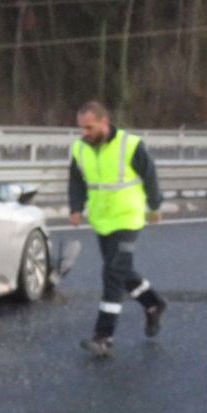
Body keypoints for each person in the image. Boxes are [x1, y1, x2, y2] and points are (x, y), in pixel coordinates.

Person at [68, 101, 167, 357]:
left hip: (127, 217)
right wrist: (76, 207)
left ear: (104, 122)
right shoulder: (80, 148)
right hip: (102, 219)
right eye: (81, 128)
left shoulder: (130, 144)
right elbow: (76, 180)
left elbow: (150, 174)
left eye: (89, 127)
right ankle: (153, 304)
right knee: (121, 271)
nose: (84, 133)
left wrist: (155, 205)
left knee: (112, 274)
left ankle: (104, 337)